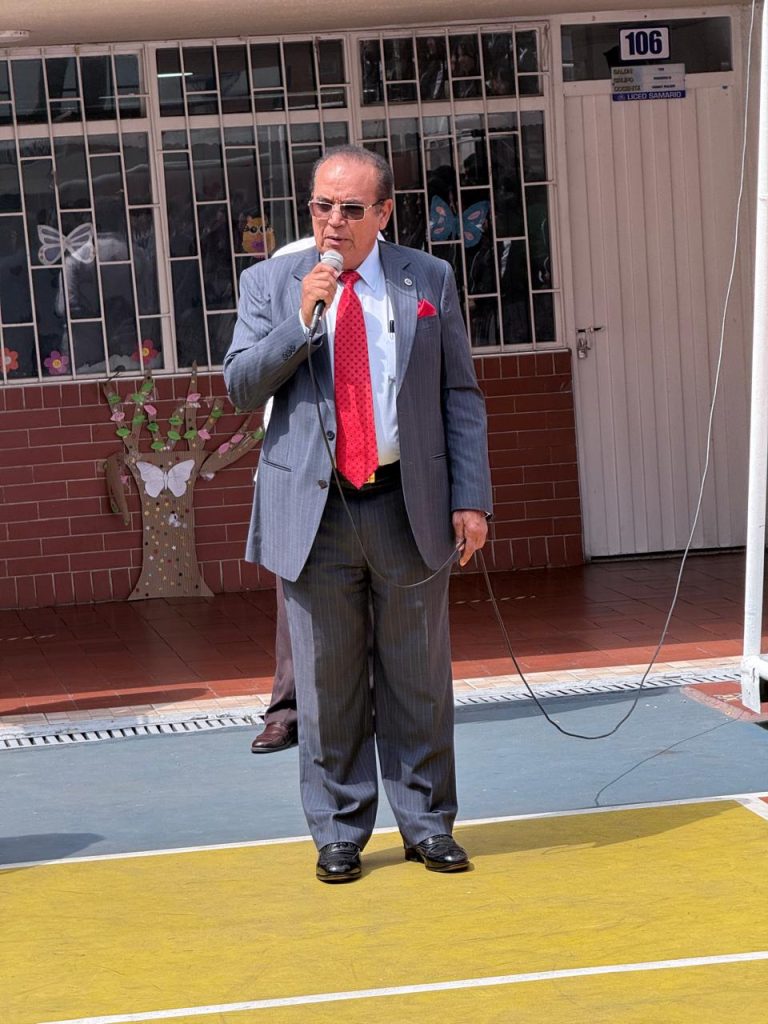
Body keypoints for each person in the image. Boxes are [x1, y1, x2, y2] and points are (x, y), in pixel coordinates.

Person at [224, 144, 492, 883]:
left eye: (350, 208)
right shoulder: (271, 282)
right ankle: (339, 831)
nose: (333, 222)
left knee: (418, 677)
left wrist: (471, 498)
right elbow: (241, 386)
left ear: (383, 213)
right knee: (327, 683)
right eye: (321, 206)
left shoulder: (427, 279)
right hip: (316, 512)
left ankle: (427, 824)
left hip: (408, 503)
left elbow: (459, 394)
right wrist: (300, 320)